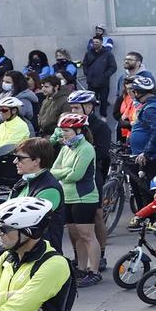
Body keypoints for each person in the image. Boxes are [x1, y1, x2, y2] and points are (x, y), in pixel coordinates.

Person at [49, 112, 102, 286]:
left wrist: (63, 173)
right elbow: (53, 170)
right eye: (62, 131)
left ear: (78, 130)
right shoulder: (66, 148)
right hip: (68, 196)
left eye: (67, 131)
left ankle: (94, 271)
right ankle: (81, 267)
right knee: (75, 235)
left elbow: (76, 175)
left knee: (87, 235)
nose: (64, 134)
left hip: (84, 197)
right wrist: (66, 171)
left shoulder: (86, 148)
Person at [8, 137, 67, 257]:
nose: (15, 161)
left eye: (20, 158)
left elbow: (27, 223)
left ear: (36, 161)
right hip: (23, 251)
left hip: (42, 256)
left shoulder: (49, 189)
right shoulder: (24, 182)